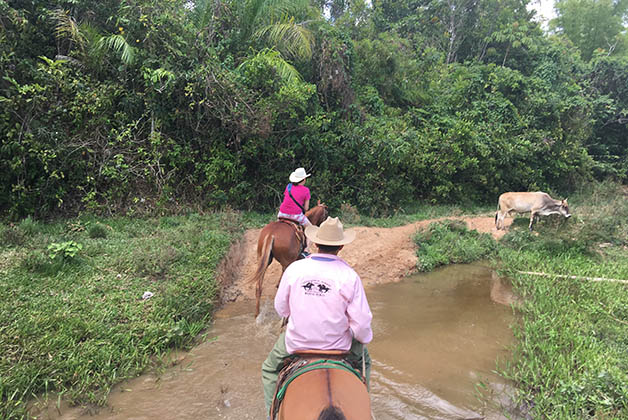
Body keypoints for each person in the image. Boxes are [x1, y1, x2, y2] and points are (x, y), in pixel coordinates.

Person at [261, 216, 373, 416]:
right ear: (340, 247)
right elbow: (362, 323)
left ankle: (272, 414)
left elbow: (281, 309)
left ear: (315, 243)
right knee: (365, 358)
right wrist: (361, 338)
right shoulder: (349, 276)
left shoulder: (295, 269)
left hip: (298, 343)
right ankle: (365, 403)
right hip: (339, 346)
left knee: (269, 370)